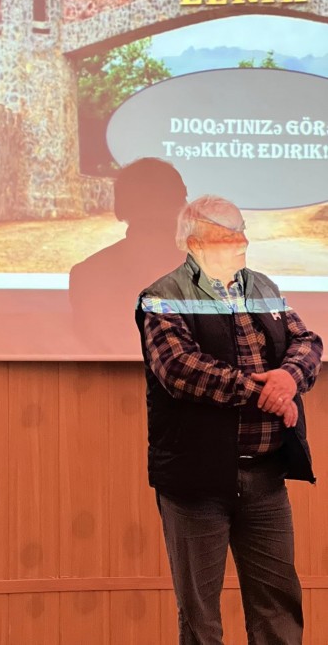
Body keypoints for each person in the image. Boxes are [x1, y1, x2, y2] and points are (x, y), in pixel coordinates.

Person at [135, 195, 322, 644]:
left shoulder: (262, 286)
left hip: (266, 477)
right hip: (196, 480)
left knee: (278, 607)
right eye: (226, 234)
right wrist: (265, 394)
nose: (241, 241)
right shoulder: (162, 297)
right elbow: (180, 369)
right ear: (194, 242)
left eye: (241, 231)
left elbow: (308, 341)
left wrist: (288, 379)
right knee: (200, 619)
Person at [69, 157, 187, 354]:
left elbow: (88, 346)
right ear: (180, 207)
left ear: (119, 208)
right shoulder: (215, 274)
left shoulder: (86, 274)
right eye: (183, 198)